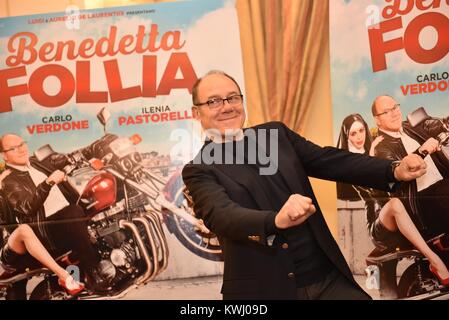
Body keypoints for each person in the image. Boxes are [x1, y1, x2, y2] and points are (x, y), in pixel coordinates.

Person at [182, 70, 427, 300]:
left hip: (328, 280)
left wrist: (393, 169)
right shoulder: (199, 168)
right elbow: (223, 216)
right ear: (196, 113)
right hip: (265, 291)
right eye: (213, 101)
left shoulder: (276, 135)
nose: (226, 106)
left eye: (232, 97)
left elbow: (330, 161)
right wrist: (275, 220)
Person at [337, 113, 449, 283]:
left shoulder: (376, 146)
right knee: (395, 203)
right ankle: (435, 261)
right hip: (380, 219)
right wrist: (375, 156)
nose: (359, 136)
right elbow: (375, 185)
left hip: (400, 213)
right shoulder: (347, 163)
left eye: (361, 130)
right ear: (346, 137)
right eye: (353, 133)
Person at [0, 134, 109, 298]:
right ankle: (93, 273)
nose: (21, 149)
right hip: (45, 233)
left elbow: (68, 158)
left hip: (65, 224)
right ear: (4, 155)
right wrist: (48, 183)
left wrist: (101, 143)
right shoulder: (9, 180)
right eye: (13, 148)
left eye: (22, 144)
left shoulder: (37, 163)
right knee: (72, 212)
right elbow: (26, 207)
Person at [371, 95, 449, 241]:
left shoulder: (409, 126)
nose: (394, 113)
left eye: (395, 107)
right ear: (377, 119)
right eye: (386, 111)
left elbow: (431, 124)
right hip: (421, 203)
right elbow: (396, 173)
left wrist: (445, 123)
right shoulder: (380, 148)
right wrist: (422, 151)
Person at [1, 169, 84, 295]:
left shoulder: (19, 185)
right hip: (12, 248)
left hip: (33, 244)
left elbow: (31, 204)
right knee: (24, 230)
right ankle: (63, 276)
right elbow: (11, 224)